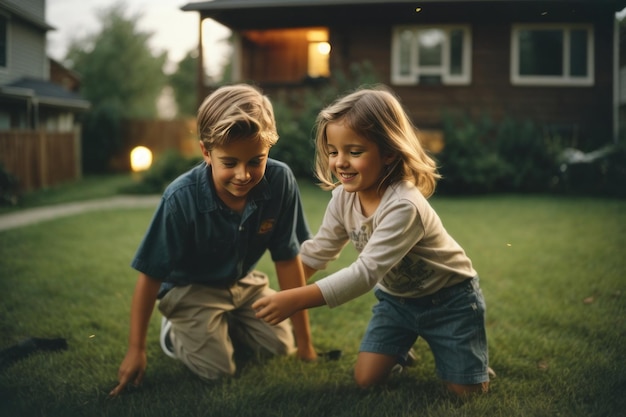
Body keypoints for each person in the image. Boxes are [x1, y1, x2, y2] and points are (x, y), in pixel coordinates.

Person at [252, 85, 492, 396]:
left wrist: (295, 299)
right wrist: (281, 292)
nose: (340, 162)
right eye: (333, 152)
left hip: (450, 301)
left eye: (354, 152)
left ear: (389, 152)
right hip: (397, 303)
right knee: (366, 379)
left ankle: (471, 364)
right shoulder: (342, 198)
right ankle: (401, 349)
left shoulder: (404, 205)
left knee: (466, 393)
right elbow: (318, 252)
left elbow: (364, 274)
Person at [110, 84, 317, 397]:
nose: (243, 175)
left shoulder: (281, 181)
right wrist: (136, 349)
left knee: (279, 347)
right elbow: (150, 274)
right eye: (230, 163)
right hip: (189, 289)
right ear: (206, 152)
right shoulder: (180, 198)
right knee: (218, 371)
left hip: (242, 284)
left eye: (255, 161)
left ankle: (222, 321)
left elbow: (288, 259)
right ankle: (174, 332)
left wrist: (306, 346)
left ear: (269, 149)